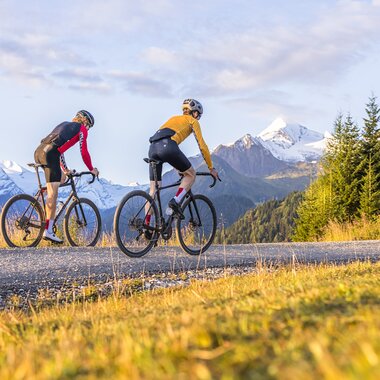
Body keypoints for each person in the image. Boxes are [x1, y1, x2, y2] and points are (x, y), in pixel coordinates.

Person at [146, 99, 218, 224]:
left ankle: (146, 225)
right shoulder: (193, 121)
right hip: (168, 146)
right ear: (194, 113)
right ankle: (176, 200)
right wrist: (211, 168)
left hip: (152, 148)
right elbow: (202, 146)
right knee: (191, 175)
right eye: (198, 114)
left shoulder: (174, 118)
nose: (198, 117)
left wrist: (179, 168)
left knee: (153, 191)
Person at [34, 110, 99, 243]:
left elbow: (59, 149)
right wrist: (92, 169)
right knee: (53, 194)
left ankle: (41, 200)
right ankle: (49, 231)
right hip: (50, 154)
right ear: (85, 121)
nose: (88, 129)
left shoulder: (64, 125)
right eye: (89, 126)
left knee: (61, 178)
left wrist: (65, 169)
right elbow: (84, 151)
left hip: (39, 151)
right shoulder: (81, 129)